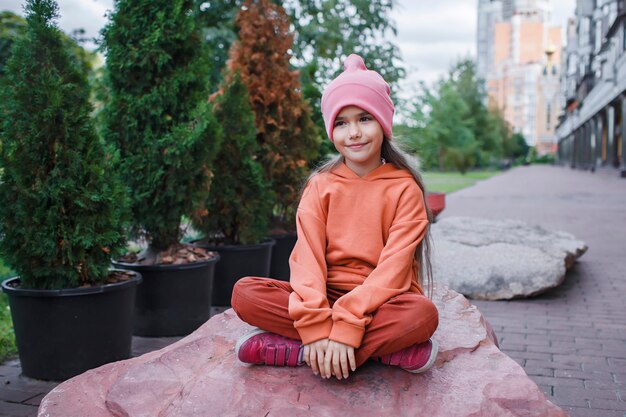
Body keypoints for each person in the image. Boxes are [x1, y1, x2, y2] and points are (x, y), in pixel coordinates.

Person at [231, 54, 439, 381]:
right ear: (331, 130)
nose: (353, 132)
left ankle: (299, 352)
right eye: (341, 123)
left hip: (381, 303)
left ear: (383, 123)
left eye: (364, 119)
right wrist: (315, 324)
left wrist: (348, 324)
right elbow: (308, 260)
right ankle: (377, 352)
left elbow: (393, 272)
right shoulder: (320, 186)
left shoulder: (404, 189)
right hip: (323, 298)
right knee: (245, 293)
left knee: (421, 316)